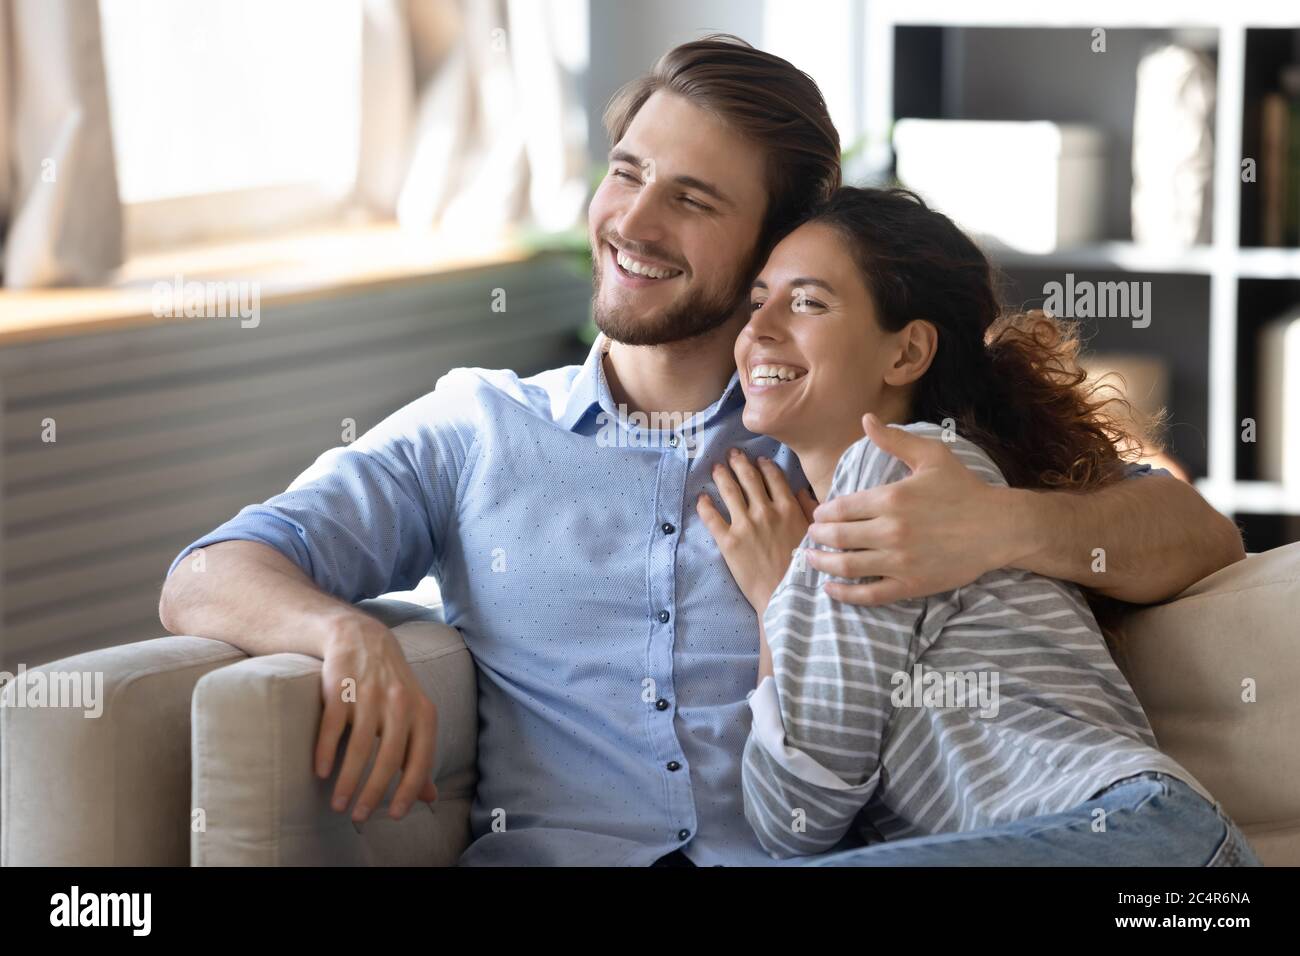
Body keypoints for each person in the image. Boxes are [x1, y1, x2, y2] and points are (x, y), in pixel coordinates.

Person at [158, 36, 1245, 866]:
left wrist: (1002, 524)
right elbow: (204, 574)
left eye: (692, 198)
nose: (632, 221)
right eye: (626, 172)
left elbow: (1189, 532)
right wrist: (340, 630)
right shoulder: (472, 429)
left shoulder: (836, 424)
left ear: (769, 243)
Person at [700, 185, 1258, 866]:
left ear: (905, 354)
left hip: (1135, 838)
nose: (757, 328)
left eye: (808, 301)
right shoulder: (926, 479)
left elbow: (793, 818)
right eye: (758, 300)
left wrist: (776, 600)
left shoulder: (895, 473)